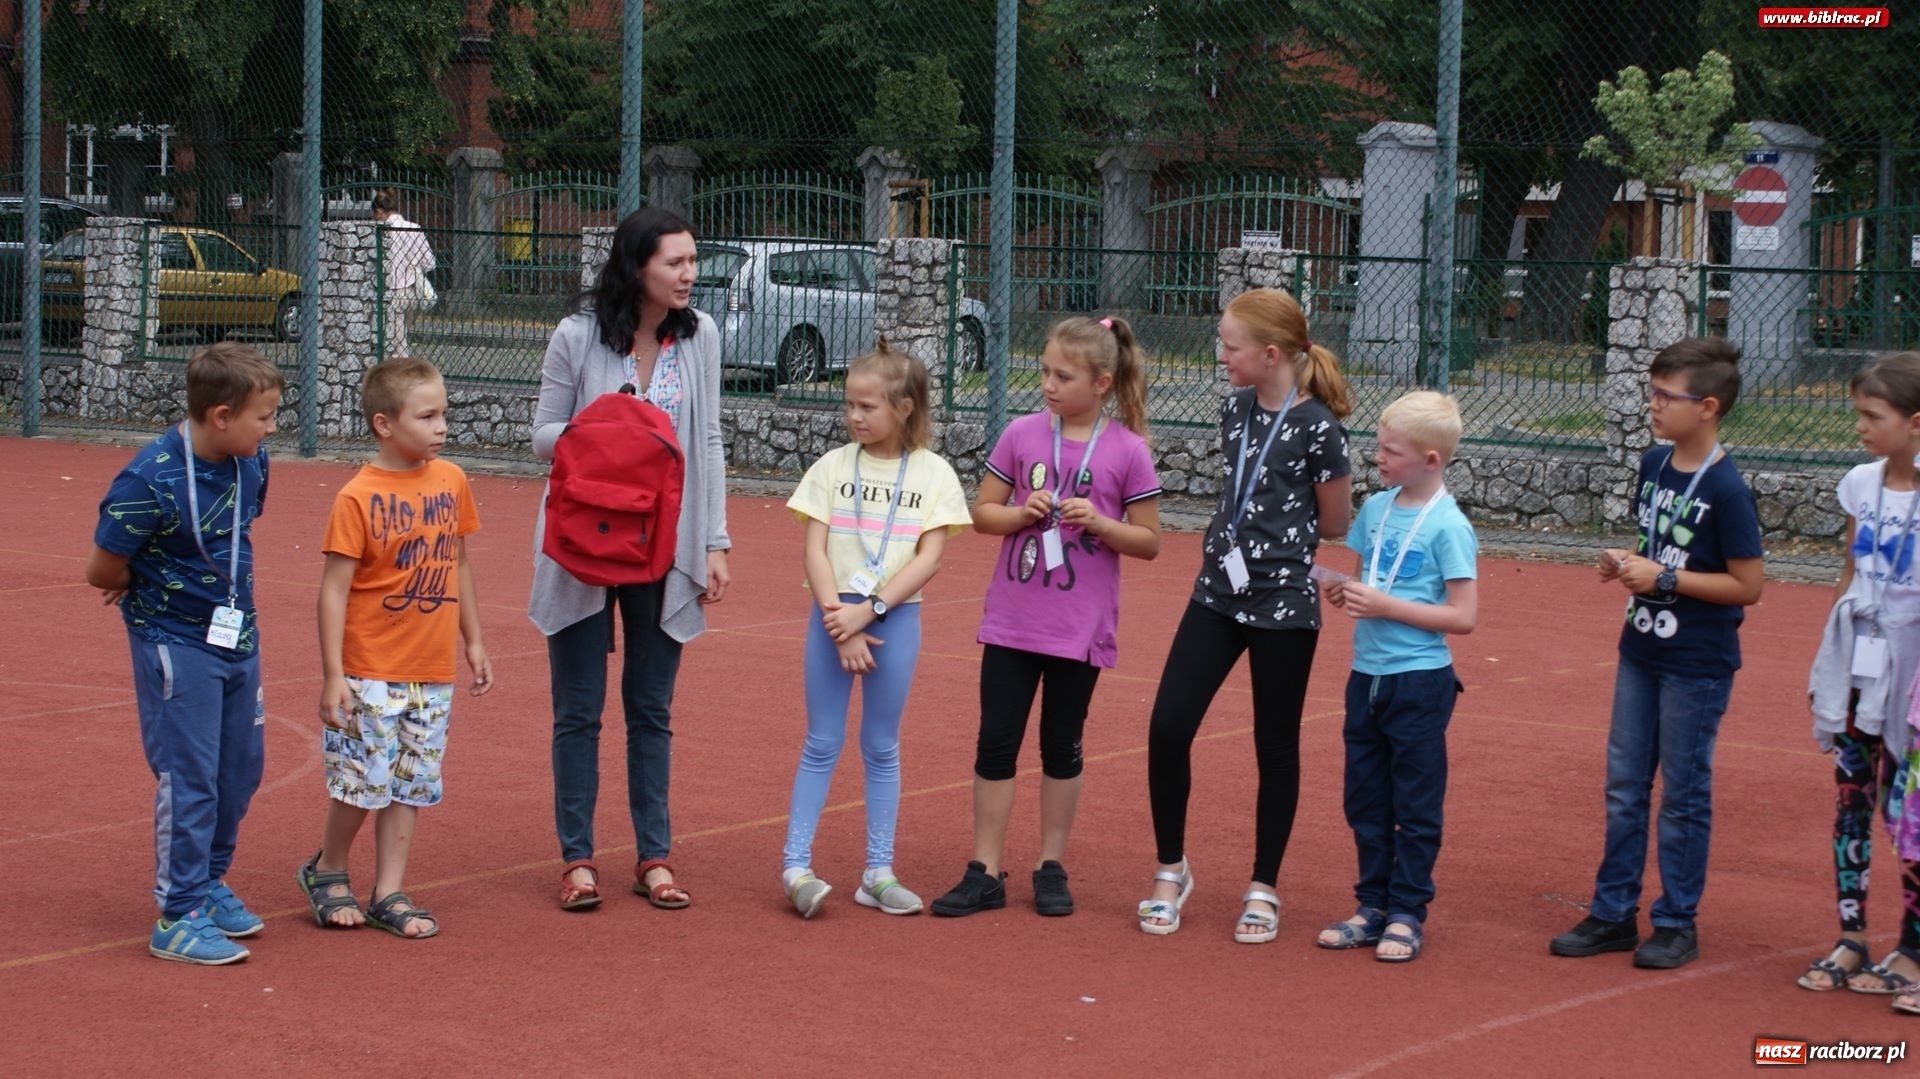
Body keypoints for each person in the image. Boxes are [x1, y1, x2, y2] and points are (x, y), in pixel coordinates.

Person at [530, 207, 731, 912]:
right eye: (674, 262)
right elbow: (541, 436)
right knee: (578, 709)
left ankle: (654, 855)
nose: (689, 274)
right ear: (636, 264)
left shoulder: (699, 335)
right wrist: (608, 424)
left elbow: (707, 437)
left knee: (651, 707)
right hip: (584, 542)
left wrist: (714, 541)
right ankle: (577, 859)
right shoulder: (577, 335)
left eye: (692, 260)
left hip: (665, 543)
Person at [1139, 287, 1353, 941]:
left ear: (1269, 354)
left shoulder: (1319, 423)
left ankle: (1264, 886)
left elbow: (1337, 520)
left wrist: (1284, 541)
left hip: (1284, 603)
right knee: (1168, 727)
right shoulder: (1233, 409)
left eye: (1230, 347)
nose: (1221, 356)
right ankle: (1172, 869)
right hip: (1217, 592)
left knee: (1274, 743)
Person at [930, 316, 1162, 918]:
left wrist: (1101, 523)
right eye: (1045, 372)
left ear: (1103, 382)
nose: (1049, 385)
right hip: (1012, 621)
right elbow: (982, 512)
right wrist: (1020, 513)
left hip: (1078, 630)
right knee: (995, 741)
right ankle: (984, 867)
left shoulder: (1128, 450)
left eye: (1064, 375)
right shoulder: (1023, 434)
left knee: (1063, 745)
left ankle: (1050, 864)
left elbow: (1149, 541)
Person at [1549, 337, 1764, 971]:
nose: (1653, 405)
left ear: (1707, 407)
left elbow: (1747, 585)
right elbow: (1661, 550)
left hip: (1695, 662)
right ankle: (1614, 912)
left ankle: (1675, 920)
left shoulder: (1727, 489)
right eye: (1652, 392)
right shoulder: (1654, 464)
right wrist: (1627, 565)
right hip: (1640, 649)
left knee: (1683, 794)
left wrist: (1665, 580)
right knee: (1624, 786)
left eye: (1665, 396)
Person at [85, 342, 284, 965]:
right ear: (221, 416)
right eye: (265, 416)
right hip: (176, 643)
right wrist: (132, 581)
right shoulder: (148, 478)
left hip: (237, 636)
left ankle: (209, 882)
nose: (273, 427)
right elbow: (102, 567)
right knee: (191, 776)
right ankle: (177, 915)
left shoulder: (253, 461)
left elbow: (234, 533)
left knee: (240, 769)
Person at [300, 357, 493, 939]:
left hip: (429, 671)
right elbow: (333, 591)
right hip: (370, 669)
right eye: (427, 416)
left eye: (444, 415)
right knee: (362, 780)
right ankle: (329, 868)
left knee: (410, 780)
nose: (441, 427)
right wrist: (333, 674)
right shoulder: (357, 497)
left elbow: (457, 564)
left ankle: (389, 890)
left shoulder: (451, 480)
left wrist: (475, 640)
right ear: (384, 424)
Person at [780, 340, 971, 918]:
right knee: (822, 741)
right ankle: (795, 866)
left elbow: (927, 558)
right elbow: (814, 551)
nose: (854, 417)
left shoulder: (934, 474)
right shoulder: (833, 468)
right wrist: (843, 620)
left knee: (881, 745)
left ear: (905, 409)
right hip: (832, 617)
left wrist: (872, 612)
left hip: (893, 620)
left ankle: (878, 872)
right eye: (849, 405)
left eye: (868, 407)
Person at [1317, 391, 1477, 962]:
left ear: (1431, 460)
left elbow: (1463, 617)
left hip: (1419, 682)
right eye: (1378, 447)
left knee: (1415, 803)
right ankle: (1372, 905)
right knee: (1364, 798)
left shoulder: (1449, 527)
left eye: (1390, 451)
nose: (1377, 458)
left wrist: (1386, 607)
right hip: (1367, 677)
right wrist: (1342, 592)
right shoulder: (1376, 510)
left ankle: (1407, 911)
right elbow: (1369, 585)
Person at [1800, 352, 1920, 998]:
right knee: (1852, 802)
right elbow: (1850, 572)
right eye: (1859, 415)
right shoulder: (1859, 483)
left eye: (1874, 416)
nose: (1862, 427)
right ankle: (1852, 936)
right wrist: (1832, 661)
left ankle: (1914, 945)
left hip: (1916, 684)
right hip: (1860, 673)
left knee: (1912, 813)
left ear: (1917, 422)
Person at [373, 189, 436, 358]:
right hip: (413, 291)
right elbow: (429, 263)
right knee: (402, 337)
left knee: (397, 345)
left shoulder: (380, 231)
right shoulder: (414, 228)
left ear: (379, 211)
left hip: (392, 291)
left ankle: (401, 374)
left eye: (375, 214)